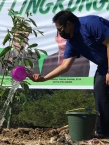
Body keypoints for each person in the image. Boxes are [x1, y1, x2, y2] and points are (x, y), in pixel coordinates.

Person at [31, 10, 109, 138]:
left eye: (60, 29)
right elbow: (65, 66)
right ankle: (104, 134)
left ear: (68, 24)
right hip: (103, 67)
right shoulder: (72, 41)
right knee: (100, 94)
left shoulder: (91, 24)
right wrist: (44, 79)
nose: (60, 33)